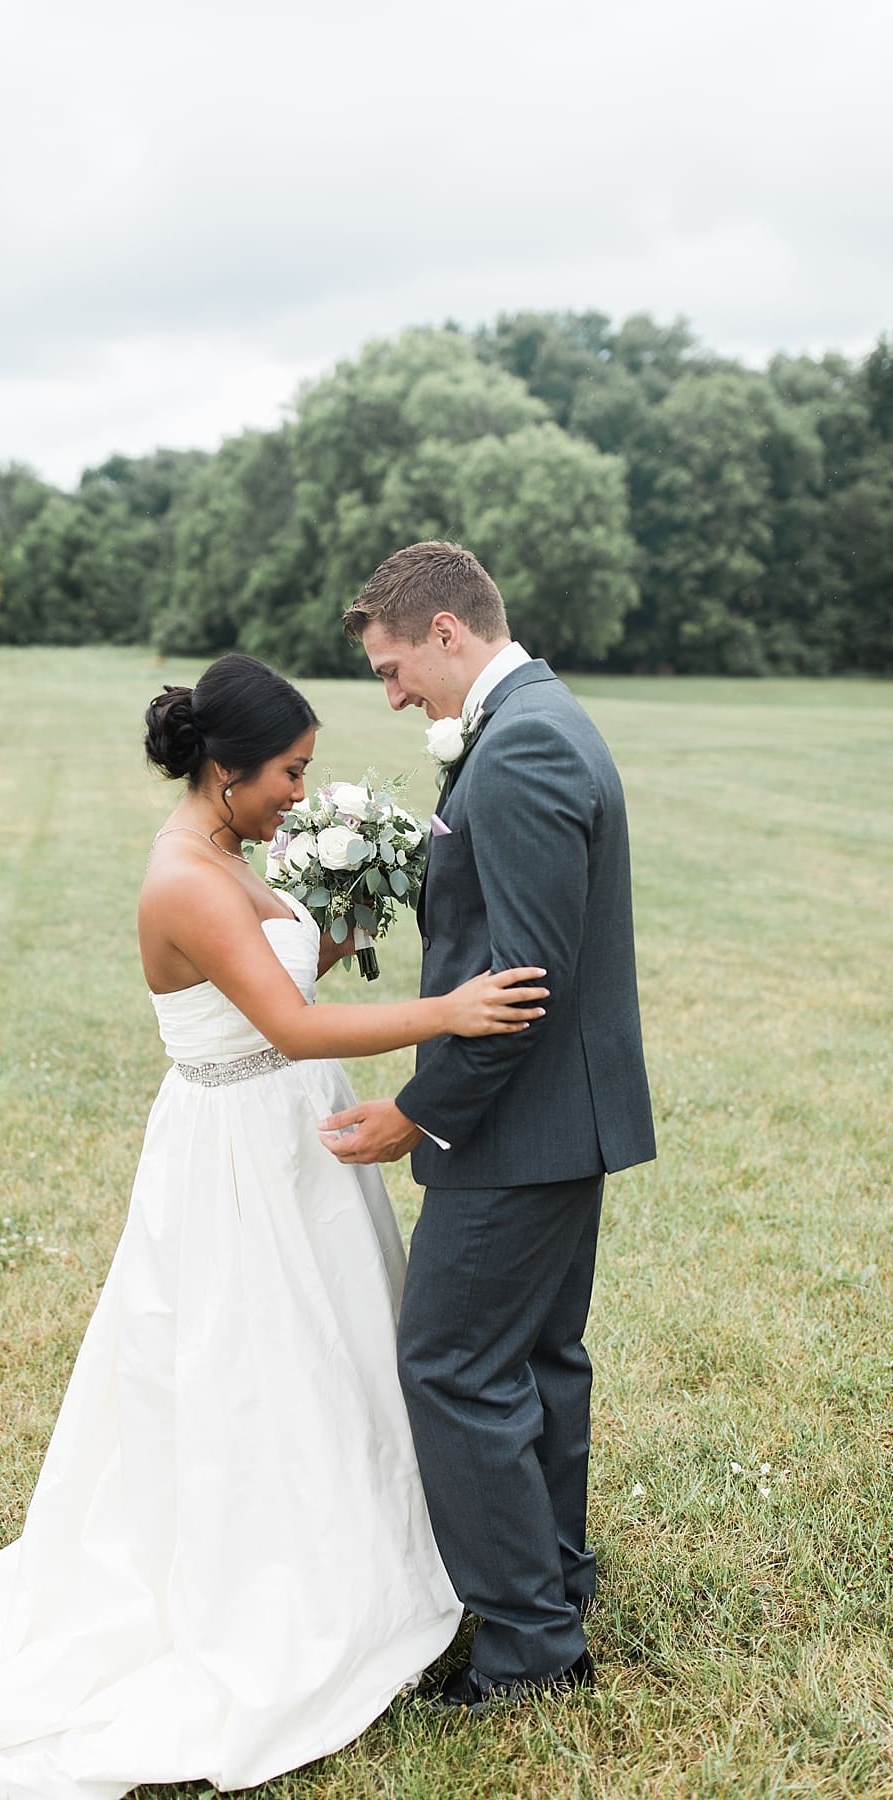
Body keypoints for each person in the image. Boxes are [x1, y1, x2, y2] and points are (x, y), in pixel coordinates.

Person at [0, 651, 550, 1800]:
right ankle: (279, 1587)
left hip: (295, 1137)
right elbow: (287, 1019)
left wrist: (353, 893)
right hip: (237, 1153)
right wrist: (450, 1011)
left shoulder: (230, 850)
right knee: (252, 1369)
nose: (299, 793)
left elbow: (291, 967)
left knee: (334, 1357)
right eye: (289, 773)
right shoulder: (181, 877)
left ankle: (378, 1553)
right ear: (224, 771)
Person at [321, 542, 655, 1712]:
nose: (394, 691)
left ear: (450, 631)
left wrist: (415, 1116)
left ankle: (529, 1649)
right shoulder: (541, 721)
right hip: (566, 1120)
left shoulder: (518, 752)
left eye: (394, 665)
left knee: (451, 1365)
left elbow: (518, 991)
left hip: (517, 1126)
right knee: (537, 1359)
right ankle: (553, 1576)